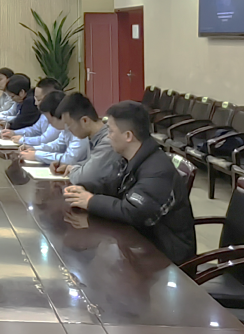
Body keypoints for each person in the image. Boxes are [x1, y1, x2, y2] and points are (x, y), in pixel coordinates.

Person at [63, 101, 196, 264]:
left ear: (128, 136)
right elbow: (113, 184)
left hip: (165, 255)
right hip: (140, 242)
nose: (108, 136)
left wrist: (91, 201)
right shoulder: (131, 157)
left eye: (111, 131)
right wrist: (84, 189)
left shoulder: (157, 171)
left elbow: (133, 212)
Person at [52, 93, 123, 188]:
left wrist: (72, 169)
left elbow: (84, 178)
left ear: (85, 121)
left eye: (69, 125)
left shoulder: (108, 141)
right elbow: (89, 164)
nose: (68, 130)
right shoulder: (93, 138)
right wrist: (68, 166)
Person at [18, 91, 88, 166]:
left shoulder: (80, 130)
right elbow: (57, 145)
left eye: (49, 119)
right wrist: (34, 149)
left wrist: (37, 155)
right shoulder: (66, 128)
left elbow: (69, 159)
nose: (49, 123)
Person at [2, 77, 62, 143]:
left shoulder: (59, 116)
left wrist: (22, 140)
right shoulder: (44, 114)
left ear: (52, 98)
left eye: (39, 100)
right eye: (35, 98)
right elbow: (35, 129)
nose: (35, 103)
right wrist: (14, 133)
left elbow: (45, 139)